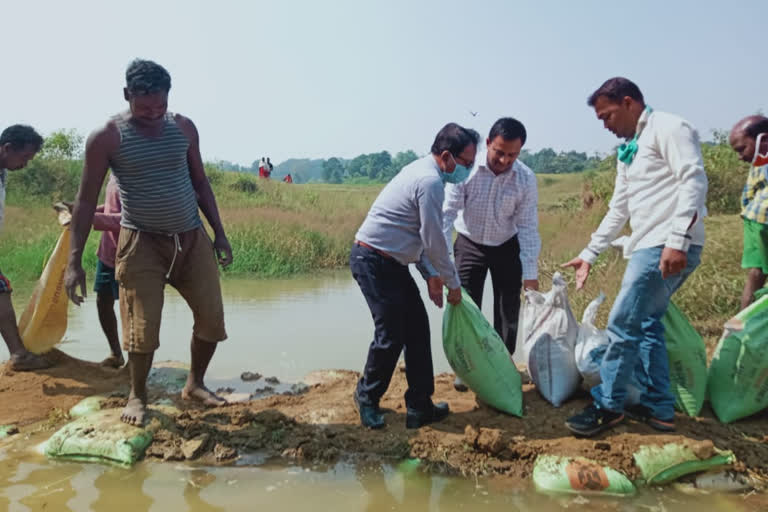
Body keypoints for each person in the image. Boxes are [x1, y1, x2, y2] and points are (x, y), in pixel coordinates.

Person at [64, 59, 234, 426]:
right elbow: (84, 199)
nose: (154, 114)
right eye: (145, 108)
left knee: (211, 319)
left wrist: (219, 233)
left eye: (161, 106)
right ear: (127, 96)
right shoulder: (107, 136)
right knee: (142, 328)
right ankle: (138, 396)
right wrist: (74, 261)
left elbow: (201, 183)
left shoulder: (183, 127)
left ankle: (195, 384)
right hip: (141, 242)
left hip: (190, 238)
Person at [562, 77, 707, 437]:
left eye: (607, 115)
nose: (605, 124)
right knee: (646, 325)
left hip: (665, 245)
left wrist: (678, 240)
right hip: (649, 244)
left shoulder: (670, 128)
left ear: (629, 103)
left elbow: (694, 180)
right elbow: (619, 208)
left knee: (622, 325)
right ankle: (659, 409)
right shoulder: (630, 148)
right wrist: (589, 253)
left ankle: (608, 406)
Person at [351, 122, 478, 429]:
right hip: (372, 260)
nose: (468, 170)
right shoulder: (430, 182)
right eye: (465, 163)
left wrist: (431, 275)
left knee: (418, 330)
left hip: (392, 263)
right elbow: (435, 242)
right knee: (391, 334)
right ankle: (367, 398)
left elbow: (417, 237)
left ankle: (420, 405)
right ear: (446, 156)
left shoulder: (426, 173)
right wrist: (453, 284)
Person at [443, 118, 540, 392]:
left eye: (512, 154)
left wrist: (530, 274)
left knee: (507, 309)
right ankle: (468, 368)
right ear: (487, 143)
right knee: (465, 305)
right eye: (499, 152)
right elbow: (447, 214)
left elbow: (528, 227)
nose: (505, 160)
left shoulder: (525, 178)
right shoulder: (466, 170)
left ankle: (502, 363)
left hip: (507, 245)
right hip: (470, 242)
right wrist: (440, 263)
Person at [0, 125, 50, 371]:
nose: (25, 164)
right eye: (24, 158)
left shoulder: (2, 172)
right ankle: (19, 355)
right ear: (7, 148)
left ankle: (18, 354)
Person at [728, 115, 768, 310]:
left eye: (742, 149)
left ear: (764, 140)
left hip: (753, 219)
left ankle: (741, 327)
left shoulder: (761, 159)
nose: (740, 156)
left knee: (756, 273)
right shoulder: (761, 158)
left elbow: (748, 194)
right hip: (763, 220)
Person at [91, 174, 125, 368]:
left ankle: (137, 361)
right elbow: (111, 207)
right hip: (108, 251)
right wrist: (84, 211)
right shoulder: (114, 174)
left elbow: (131, 216)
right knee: (103, 301)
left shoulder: (137, 172)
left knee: (134, 310)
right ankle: (116, 353)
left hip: (132, 253)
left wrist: (90, 218)